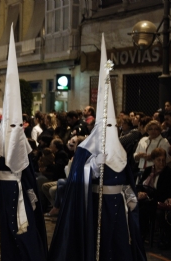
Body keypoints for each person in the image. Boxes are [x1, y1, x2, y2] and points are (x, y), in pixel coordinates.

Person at [48, 34, 146, 261]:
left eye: (113, 125)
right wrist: (92, 167)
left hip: (117, 206)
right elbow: (75, 179)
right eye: (107, 125)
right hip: (94, 205)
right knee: (97, 245)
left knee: (119, 244)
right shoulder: (85, 150)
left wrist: (130, 196)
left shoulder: (120, 150)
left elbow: (127, 177)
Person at [0, 26, 47, 261]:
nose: (16, 132)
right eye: (12, 127)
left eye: (20, 126)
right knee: (1, 238)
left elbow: (27, 174)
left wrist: (31, 192)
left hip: (18, 194)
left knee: (24, 236)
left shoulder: (22, 143)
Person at [137, 148, 171, 242]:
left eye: (163, 160)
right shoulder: (148, 170)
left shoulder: (168, 172)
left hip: (158, 199)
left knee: (144, 208)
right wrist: (140, 192)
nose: (161, 163)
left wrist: (149, 194)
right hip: (146, 198)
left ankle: (142, 233)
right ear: (153, 160)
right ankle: (136, 232)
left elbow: (166, 191)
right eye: (159, 160)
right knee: (134, 204)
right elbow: (140, 184)